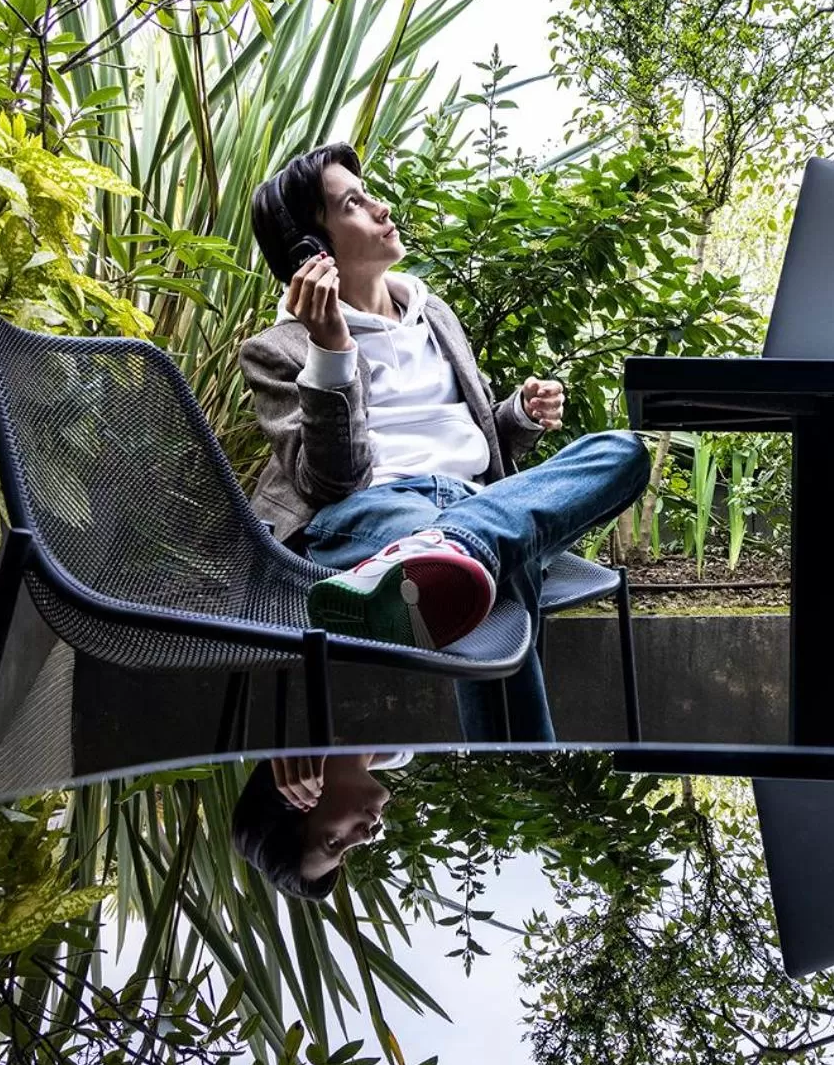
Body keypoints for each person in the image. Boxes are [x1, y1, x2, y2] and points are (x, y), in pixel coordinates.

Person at [239, 141, 651, 741]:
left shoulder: (436, 318)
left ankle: (456, 550)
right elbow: (332, 481)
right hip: (369, 515)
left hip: (469, 502)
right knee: (503, 558)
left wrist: (518, 417)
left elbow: (472, 434)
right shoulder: (278, 350)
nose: (381, 208)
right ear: (314, 251)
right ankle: (516, 786)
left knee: (623, 452)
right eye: (353, 203)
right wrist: (330, 349)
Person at [231, 753, 401, 901]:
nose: (366, 837)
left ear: (298, 792)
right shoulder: (401, 752)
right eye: (344, 853)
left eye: (333, 842)